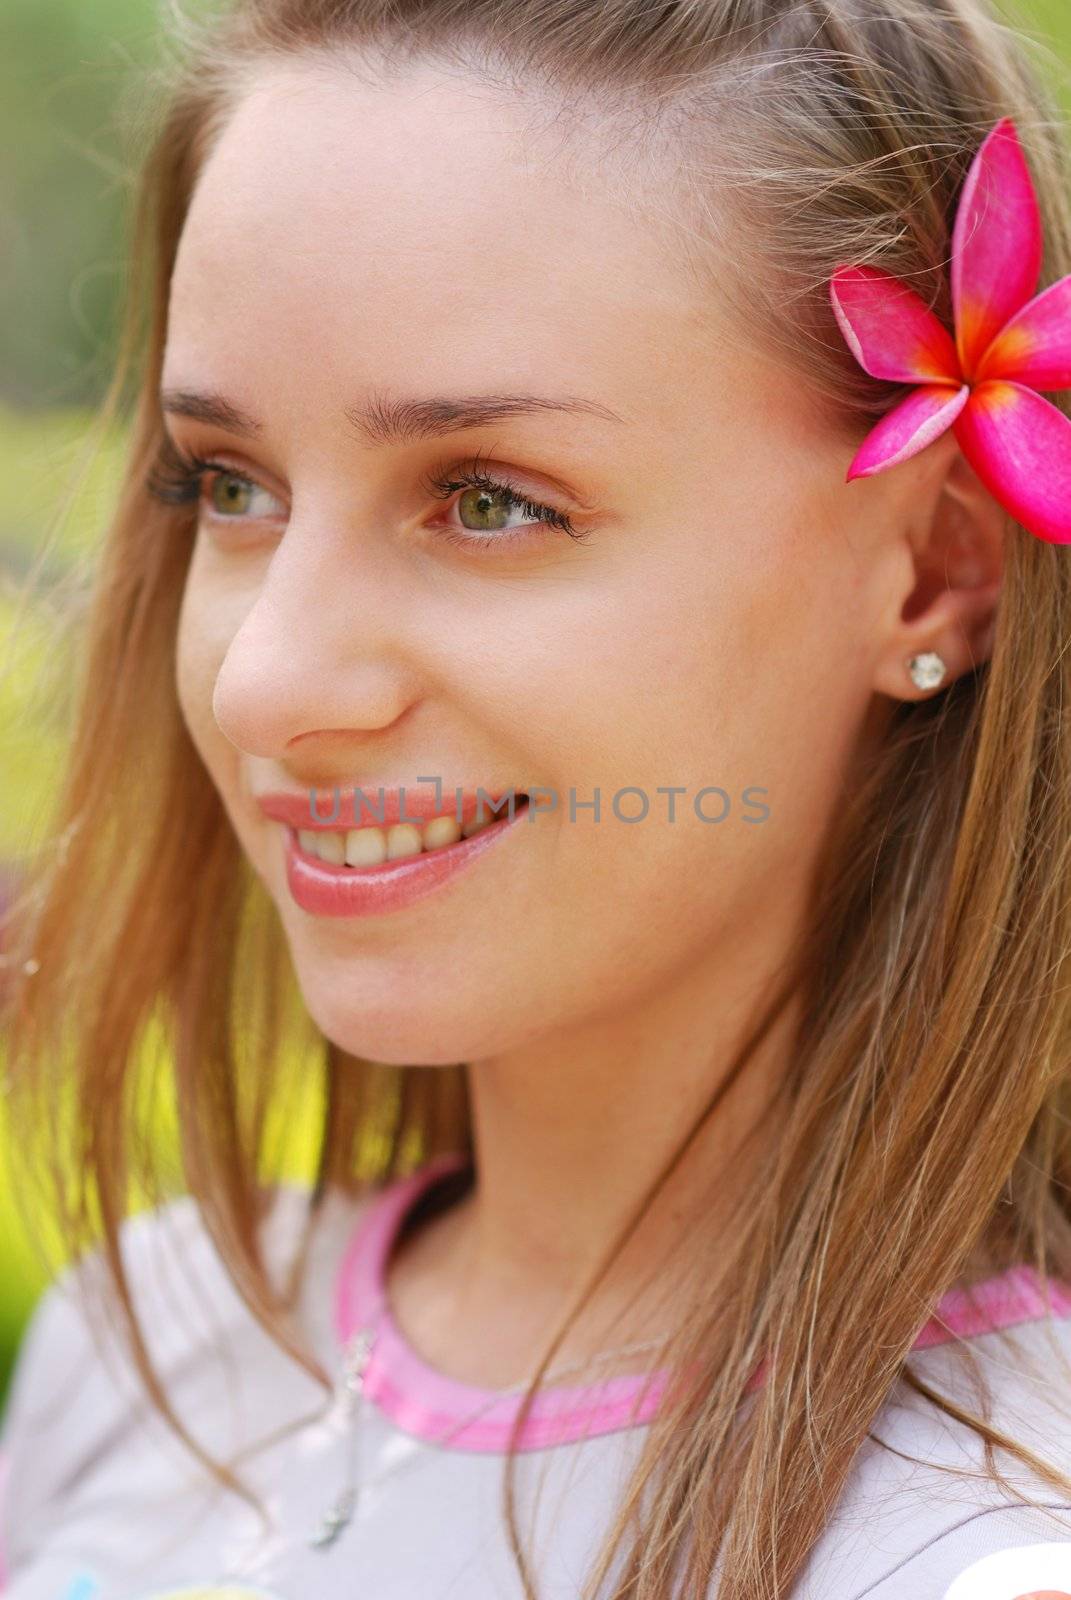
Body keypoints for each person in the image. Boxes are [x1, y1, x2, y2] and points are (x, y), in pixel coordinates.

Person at [3, 0, 1071, 1596]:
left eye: (489, 502)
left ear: (930, 572)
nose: (264, 684)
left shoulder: (975, 1548)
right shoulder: (150, 1345)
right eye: (229, 485)